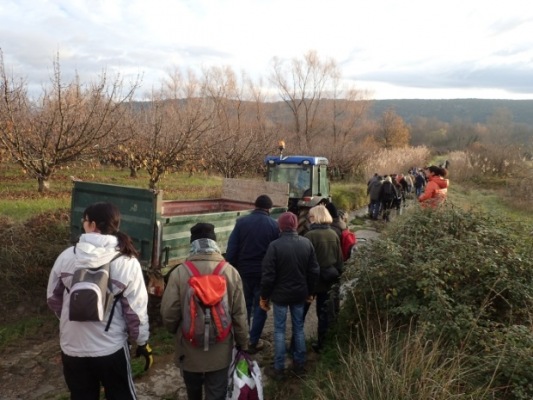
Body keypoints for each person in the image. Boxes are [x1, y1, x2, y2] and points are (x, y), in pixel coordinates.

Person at [47, 202, 151, 400]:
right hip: (110, 348)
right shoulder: (126, 261)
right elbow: (135, 312)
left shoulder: (66, 257)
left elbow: (53, 297)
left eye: (84, 221)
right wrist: (142, 342)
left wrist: (70, 317)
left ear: (92, 225)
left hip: (72, 347)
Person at [161, 223, 248, 400]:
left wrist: (176, 331)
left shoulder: (179, 273)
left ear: (192, 244)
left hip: (189, 348)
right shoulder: (230, 272)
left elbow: (169, 312)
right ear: (214, 243)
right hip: (220, 350)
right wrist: (242, 342)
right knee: (216, 392)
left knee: (193, 392)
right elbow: (239, 314)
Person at [260, 212, 319, 380]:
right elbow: (314, 271)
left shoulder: (274, 246)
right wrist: (311, 292)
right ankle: (299, 365)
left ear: (280, 226)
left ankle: (279, 368)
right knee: (298, 327)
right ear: (295, 226)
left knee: (279, 330)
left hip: (280, 296)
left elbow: (268, 275)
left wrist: (264, 297)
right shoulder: (306, 243)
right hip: (300, 294)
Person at [224, 194, 279, 353]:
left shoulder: (241, 223)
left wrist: (232, 267)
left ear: (255, 205)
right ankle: (254, 341)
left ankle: (243, 339)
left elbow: (232, 248)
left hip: (244, 272)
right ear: (269, 209)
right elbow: (275, 253)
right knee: (261, 306)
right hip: (264, 274)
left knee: (243, 306)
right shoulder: (274, 226)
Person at [303, 205, 344, 353]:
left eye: (310, 216)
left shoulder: (309, 236)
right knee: (324, 316)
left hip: (312, 283)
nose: (308, 218)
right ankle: (322, 345)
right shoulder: (333, 234)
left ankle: (296, 347)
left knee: (300, 315)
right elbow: (339, 260)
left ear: (315, 217)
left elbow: (305, 263)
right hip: (328, 280)